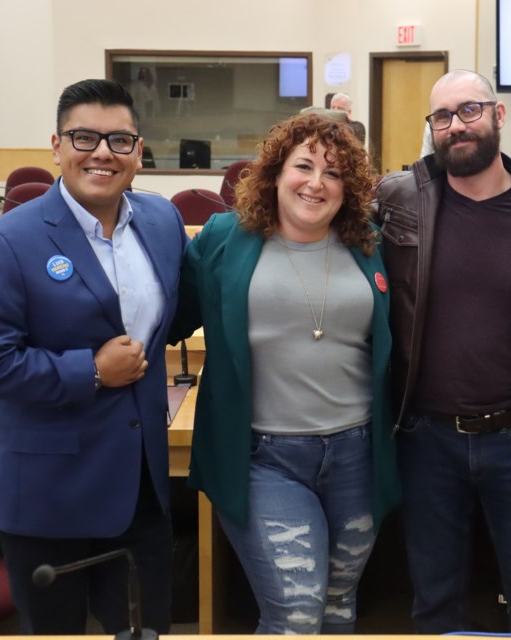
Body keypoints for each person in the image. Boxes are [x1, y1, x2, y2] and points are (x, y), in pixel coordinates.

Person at [0, 79, 187, 634]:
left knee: (144, 629)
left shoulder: (162, 223)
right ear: (56, 147)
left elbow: (177, 315)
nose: (103, 152)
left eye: (120, 140)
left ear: (138, 151)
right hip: (47, 491)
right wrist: (92, 372)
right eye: (85, 137)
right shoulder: (8, 240)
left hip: (139, 487)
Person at [169, 112, 401, 634]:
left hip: (357, 457)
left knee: (339, 606)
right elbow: (169, 318)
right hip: (263, 460)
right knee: (295, 617)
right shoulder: (224, 239)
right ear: (274, 173)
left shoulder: (370, 242)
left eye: (335, 173)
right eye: (303, 167)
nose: (316, 183)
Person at [375, 69, 511, 633]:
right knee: (433, 606)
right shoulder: (396, 201)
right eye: (441, 117)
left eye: (469, 110)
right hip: (426, 439)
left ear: (499, 115)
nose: (455, 126)